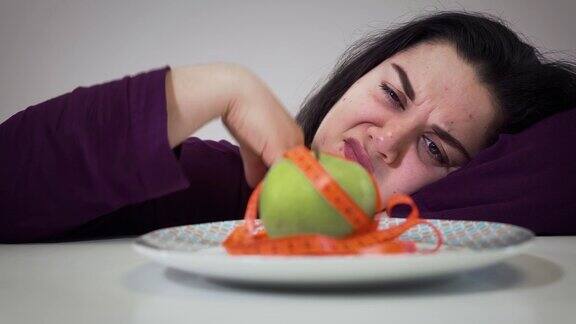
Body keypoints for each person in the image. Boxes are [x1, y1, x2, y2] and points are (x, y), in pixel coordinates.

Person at [1, 12, 575, 243]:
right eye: (391, 93)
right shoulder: (219, 185)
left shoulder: (438, 242)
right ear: (356, 76)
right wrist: (209, 88)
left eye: (433, 146)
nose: (386, 139)